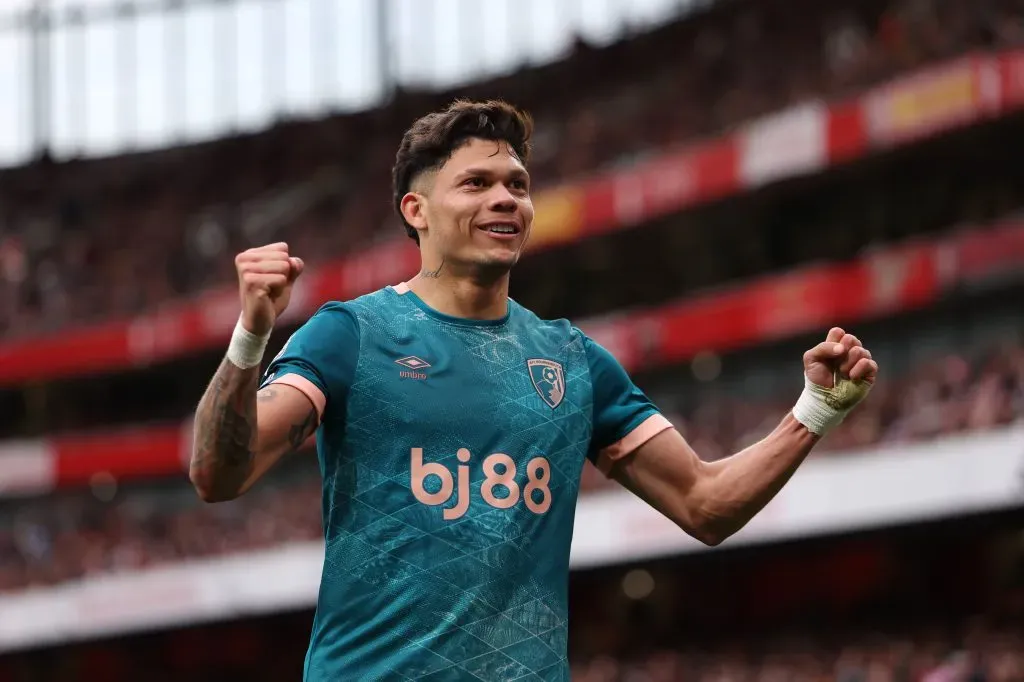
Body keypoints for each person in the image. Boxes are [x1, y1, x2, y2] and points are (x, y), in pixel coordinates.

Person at [188, 99, 878, 681]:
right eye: (477, 183)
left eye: (517, 185)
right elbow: (219, 474)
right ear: (416, 209)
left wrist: (814, 410)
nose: (505, 199)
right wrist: (251, 336)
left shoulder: (572, 362)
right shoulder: (352, 336)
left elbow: (705, 505)